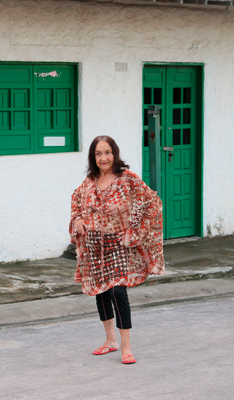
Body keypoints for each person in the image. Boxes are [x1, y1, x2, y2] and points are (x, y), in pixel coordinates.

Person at [70, 135, 165, 364]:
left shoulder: (126, 179)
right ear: (94, 157)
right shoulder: (90, 181)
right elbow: (76, 201)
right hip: (94, 246)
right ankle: (110, 340)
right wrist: (78, 219)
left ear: (115, 154)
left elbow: (152, 202)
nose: (104, 158)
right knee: (101, 293)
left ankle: (126, 345)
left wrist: (135, 231)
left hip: (118, 246)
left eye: (108, 152)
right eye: (98, 153)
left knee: (118, 293)